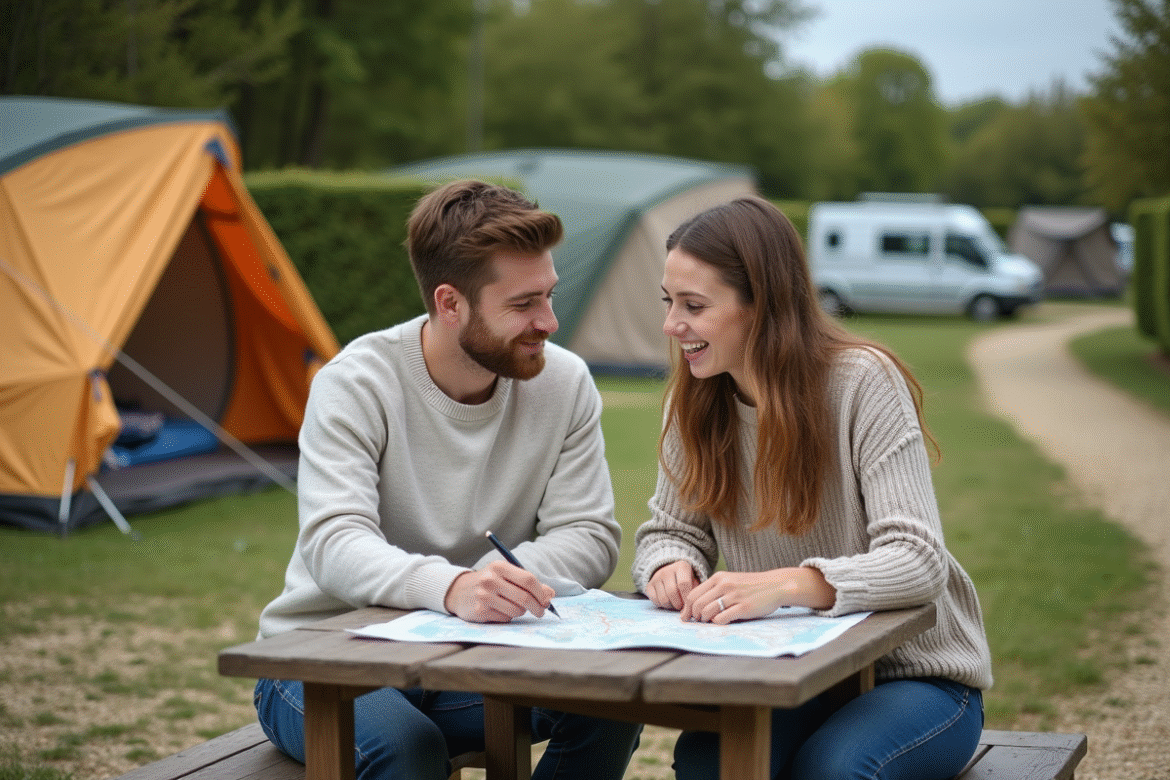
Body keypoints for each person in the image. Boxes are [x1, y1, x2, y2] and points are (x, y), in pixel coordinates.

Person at [254, 180, 642, 780]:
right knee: (404, 746)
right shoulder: (355, 383)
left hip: (481, 656)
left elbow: (589, 533)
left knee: (613, 701)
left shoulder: (564, 382)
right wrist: (455, 587)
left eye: (549, 296)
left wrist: (503, 584)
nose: (550, 321)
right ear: (450, 303)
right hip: (324, 655)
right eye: (522, 305)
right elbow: (334, 543)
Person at [632, 197, 993, 780]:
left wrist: (787, 585)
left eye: (694, 306)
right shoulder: (695, 399)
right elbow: (669, 532)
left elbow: (918, 560)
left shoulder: (861, 383)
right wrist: (669, 565)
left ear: (762, 306)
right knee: (707, 764)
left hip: (918, 675)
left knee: (833, 769)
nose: (673, 325)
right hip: (788, 675)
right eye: (670, 302)